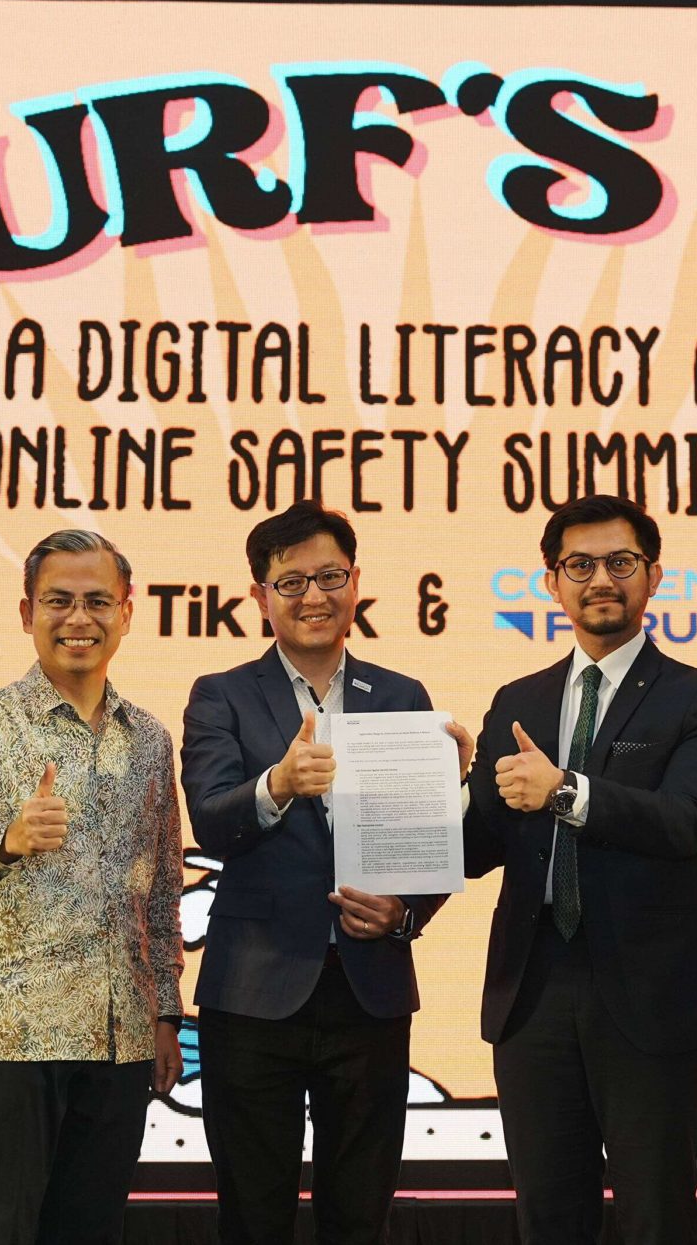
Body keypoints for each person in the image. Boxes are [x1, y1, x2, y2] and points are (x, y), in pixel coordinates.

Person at [181, 500, 473, 1245]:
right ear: (260, 597)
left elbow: (423, 852)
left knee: (361, 1215)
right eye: (291, 582)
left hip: (370, 993)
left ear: (355, 583)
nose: (313, 595)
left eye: (329, 577)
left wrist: (412, 897)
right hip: (253, 994)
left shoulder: (402, 696)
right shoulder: (221, 694)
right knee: (254, 1215)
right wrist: (277, 783)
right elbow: (211, 818)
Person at [463, 493, 697, 1245]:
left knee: (657, 1217)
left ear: (653, 576)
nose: (600, 580)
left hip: (650, 995)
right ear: (552, 582)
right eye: (579, 565)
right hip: (533, 992)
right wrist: (443, 784)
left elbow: (685, 820)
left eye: (620, 562)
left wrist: (565, 790)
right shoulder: (518, 700)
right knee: (549, 1219)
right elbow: (478, 845)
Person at [0, 529, 183, 1245]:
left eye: (97, 601)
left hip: (122, 1038)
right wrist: (8, 838)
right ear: (26, 612)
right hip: (13, 1037)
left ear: (126, 612)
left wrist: (166, 1012)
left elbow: (163, 889)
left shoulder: (150, 740)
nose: (78, 618)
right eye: (58, 600)